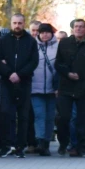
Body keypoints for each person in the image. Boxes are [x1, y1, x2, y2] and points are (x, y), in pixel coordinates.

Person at [0, 14, 38, 158]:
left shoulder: (30, 41)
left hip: (24, 82)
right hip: (7, 82)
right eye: (14, 23)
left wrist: (20, 74)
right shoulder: (4, 40)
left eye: (19, 23)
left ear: (24, 23)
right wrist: (9, 73)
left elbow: (34, 61)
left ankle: (20, 146)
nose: (17, 25)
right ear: (11, 24)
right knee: (6, 114)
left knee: (23, 116)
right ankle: (7, 145)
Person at [54, 18, 85, 158]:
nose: (79, 29)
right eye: (76, 26)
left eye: (82, 27)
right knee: (64, 117)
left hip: (84, 88)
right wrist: (68, 74)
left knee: (84, 119)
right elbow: (58, 64)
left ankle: (81, 147)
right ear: (72, 29)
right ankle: (65, 142)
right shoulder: (64, 44)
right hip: (66, 86)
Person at [30, 23, 59, 156]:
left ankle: (46, 142)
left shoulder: (58, 47)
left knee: (50, 117)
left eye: (47, 32)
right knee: (39, 115)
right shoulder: (32, 47)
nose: (45, 35)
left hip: (53, 89)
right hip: (35, 88)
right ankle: (41, 142)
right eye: (42, 32)